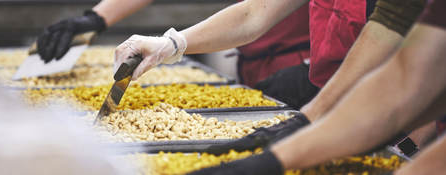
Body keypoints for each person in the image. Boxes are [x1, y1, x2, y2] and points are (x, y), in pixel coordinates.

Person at [113, 0, 426, 154]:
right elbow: (254, 13)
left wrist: (408, 149)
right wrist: (172, 44)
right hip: (328, 105)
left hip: (400, 118)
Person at [186, 0, 446, 174]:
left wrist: (410, 147)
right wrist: (299, 131)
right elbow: (407, 71)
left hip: (392, 118)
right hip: (357, 105)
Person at [36, 0, 311, 104]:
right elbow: (251, 16)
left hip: (308, 68)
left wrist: (314, 67)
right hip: (255, 62)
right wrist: (97, 18)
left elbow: (253, 16)